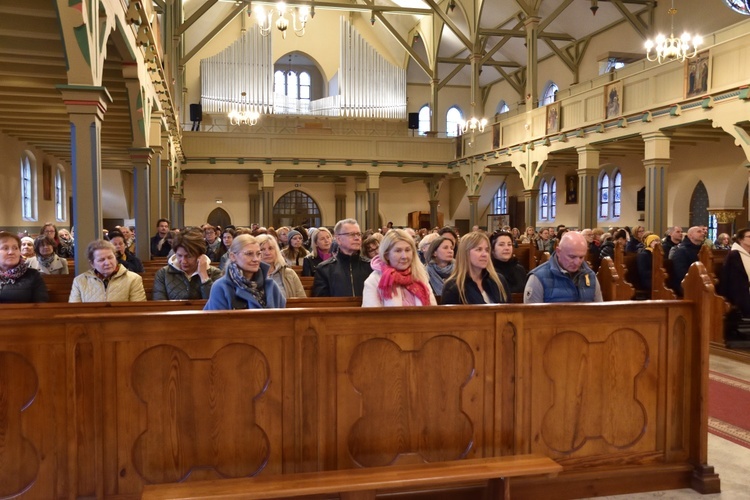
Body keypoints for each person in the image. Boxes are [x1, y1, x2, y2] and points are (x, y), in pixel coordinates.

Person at [204, 234, 286, 310]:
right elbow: (217, 322)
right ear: (233, 256)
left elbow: (282, 319)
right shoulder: (221, 287)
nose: (256, 259)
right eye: (249, 254)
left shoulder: (270, 285)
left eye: (258, 254)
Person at [362, 229, 436, 307]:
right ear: (386, 255)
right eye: (398, 251)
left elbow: (433, 313)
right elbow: (371, 317)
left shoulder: (419, 275)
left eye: (407, 250)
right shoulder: (374, 281)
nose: (404, 256)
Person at [524, 231, 602, 303]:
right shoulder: (538, 278)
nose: (577, 262)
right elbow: (531, 316)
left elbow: (599, 312)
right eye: (572, 257)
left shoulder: (590, 276)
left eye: (581, 257)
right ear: (558, 252)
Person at [152, 229, 222, 300]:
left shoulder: (215, 273)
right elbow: (159, 305)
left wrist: (204, 277)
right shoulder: (163, 274)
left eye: (189, 256)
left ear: (200, 255)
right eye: (179, 255)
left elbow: (216, 304)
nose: (183, 261)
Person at [441, 232, 509, 305]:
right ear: (466, 253)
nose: (484, 254)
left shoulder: (499, 281)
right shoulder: (453, 287)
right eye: (479, 249)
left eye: (487, 250)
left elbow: (509, 312)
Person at [69, 240, 146, 302]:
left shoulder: (133, 279)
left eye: (110, 257)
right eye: (101, 260)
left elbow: (138, 309)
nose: (107, 263)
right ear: (92, 263)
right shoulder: (80, 281)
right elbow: (74, 311)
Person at [312, 218, 372, 297]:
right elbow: (321, 303)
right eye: (351, 234)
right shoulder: (324, 269)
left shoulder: (370, 266)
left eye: (358, 234)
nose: (357, 238)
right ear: (338, 239)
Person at [0, 231, 48, 303]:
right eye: (5, 248)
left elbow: (41, 305)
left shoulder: (33, 275)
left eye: (15, 248)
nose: (11, 252)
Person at [257, 234, 306, 299]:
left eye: (270, 248)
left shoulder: (289, 273)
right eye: (262, 249)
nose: (267, 253)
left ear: (276, 251)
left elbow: (302, 300)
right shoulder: (250, 275)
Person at [720, 228, 750, 318]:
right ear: (740, 239)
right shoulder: (734, 255)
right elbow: (731, 280)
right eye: (749, 237)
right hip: (740, 294)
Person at [669, 226, 704, 297]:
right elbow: (681, 272)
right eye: (699, 232)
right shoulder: (681, 251)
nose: (703, 233)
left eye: (702, 231)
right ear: (690, 235)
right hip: (685, 285)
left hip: (701, 283)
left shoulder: (703, 250)